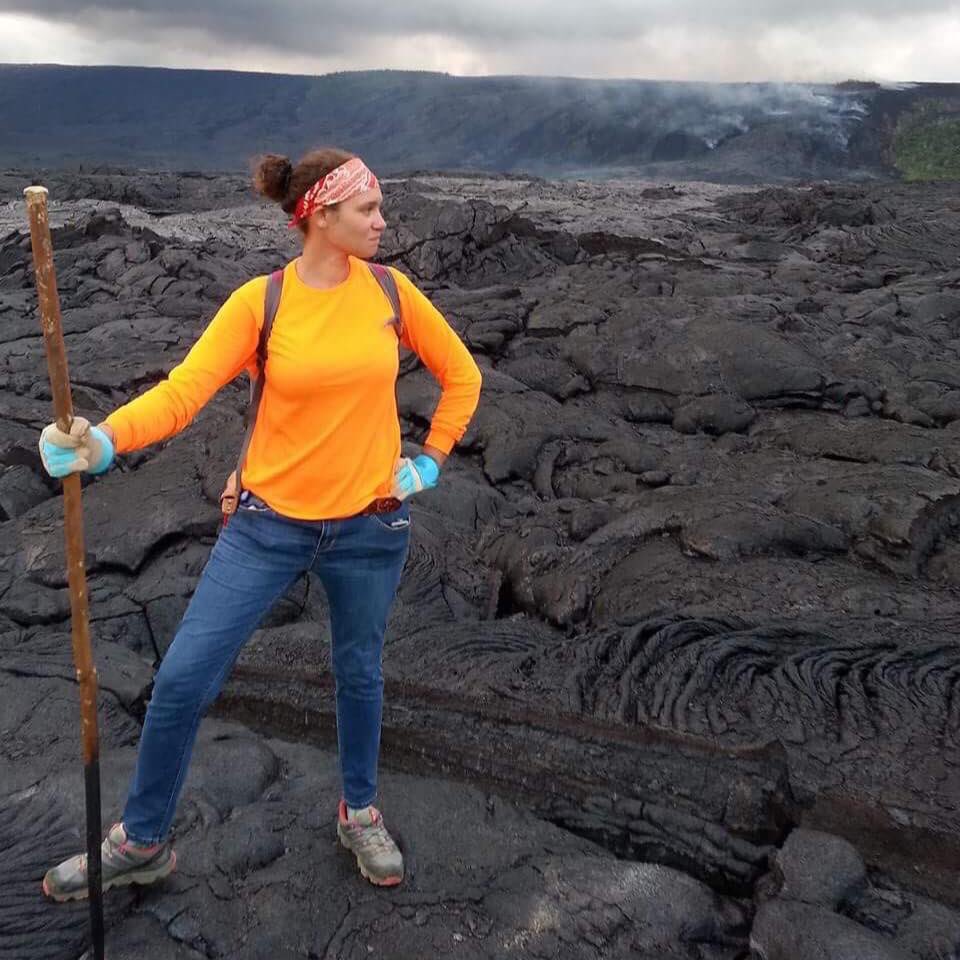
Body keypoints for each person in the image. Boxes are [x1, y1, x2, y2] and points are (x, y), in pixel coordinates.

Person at [38, 148, 483, 897]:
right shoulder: (261, 303)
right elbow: (183, 392)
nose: (382, 220)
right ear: (321, 215)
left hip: (370, 529)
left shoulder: (391, 291)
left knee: (359, 673)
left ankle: (359, 811)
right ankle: (142, 842)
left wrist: (430, 461)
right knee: (181, 680)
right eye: (368, 208)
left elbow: (463, 375)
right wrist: (104, 440)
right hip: (266, 526)